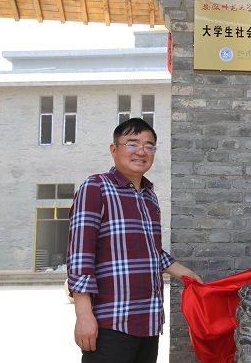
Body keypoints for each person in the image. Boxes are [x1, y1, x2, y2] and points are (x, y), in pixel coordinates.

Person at [67, 118, 203, 363]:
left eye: (149, 146)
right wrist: (83, 315)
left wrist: (190, 276)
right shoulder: (96, 187)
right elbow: (80, 254)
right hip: (111, 322)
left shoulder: (149, 196)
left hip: (148, 321)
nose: (141, 151)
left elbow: (152, 252)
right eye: (132, 144)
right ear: (114, 149)